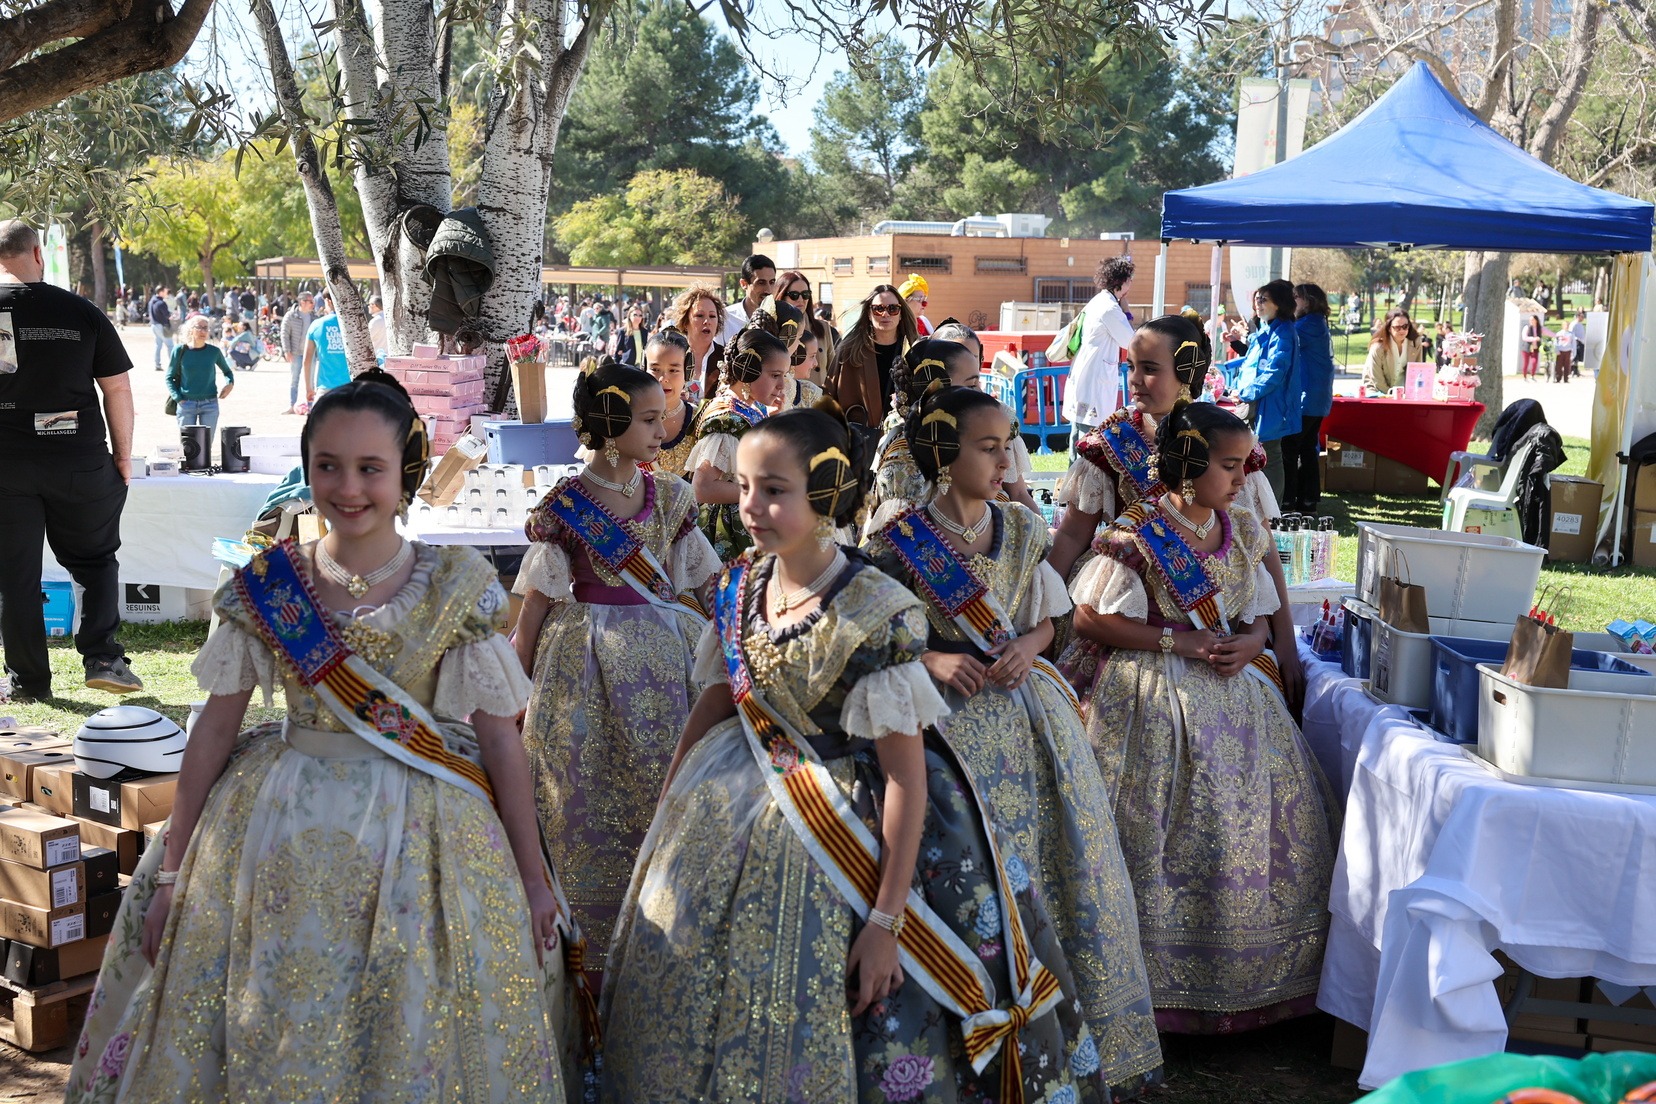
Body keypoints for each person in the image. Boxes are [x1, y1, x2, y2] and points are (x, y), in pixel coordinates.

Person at [68, 371, 587, 1100]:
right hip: (276, 830)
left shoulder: (458, 584)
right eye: (328, 466)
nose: (348, 487)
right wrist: (175, 874)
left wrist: (533, 882)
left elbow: (502, 742)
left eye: (371, 468)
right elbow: (213, 732)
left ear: (404, 474)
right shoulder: (266, 585)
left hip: (427, 833)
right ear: (306, 470)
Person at [600, 403, 1110, 1103]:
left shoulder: (875, 608)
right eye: (744, 487)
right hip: (734, 806)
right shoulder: (740, 584)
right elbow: (719, 700)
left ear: (826, 491)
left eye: (773, 490)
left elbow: (905, 778)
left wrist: (885, 923)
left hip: (861, 832)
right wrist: (670, 809)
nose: (750, 507)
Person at [862, 385, 1163, 1093]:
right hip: (940, 734)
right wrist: (932, 661)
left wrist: (1029, 647)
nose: (1006, 462)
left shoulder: (1024, 529)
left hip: (1027, 723)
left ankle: (1058, 1024)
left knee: (1048, 859)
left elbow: (1049, 619)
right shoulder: (897, 540)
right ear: (945, 454)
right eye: (988, 447)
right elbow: (877, 638)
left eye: (1010, 446)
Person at [1061, 399, 1336, 1034]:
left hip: (1237, 694)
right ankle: (1151, 988)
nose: (1242, 479)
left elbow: (1257, 614)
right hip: (1151, 699)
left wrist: (1253, 643)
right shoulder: (1135, 534)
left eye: (1244, 465)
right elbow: (1089, 618)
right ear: (1188, 465)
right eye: (1229, 466)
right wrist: (1176, 642)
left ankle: (1254, 980)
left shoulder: (1242, 531)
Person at [515, 360, 720, 975]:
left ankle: (659, 927)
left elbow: (705, 582)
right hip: (582, 670)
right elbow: (536, 604)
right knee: (582, 794)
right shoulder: (565, 507)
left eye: (663, 418)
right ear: (610, 425)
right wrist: (515, 686)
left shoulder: (672, 497)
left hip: (666, 668)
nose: (662, 431)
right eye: (649, 419)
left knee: (660, 787)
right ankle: (589, 945)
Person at [1049, 315, 1299, 703]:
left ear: (1187, 370)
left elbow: (1259, 550)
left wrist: (1284, 640)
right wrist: (1041, 614)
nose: (1134, 379)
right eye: (1130, 366)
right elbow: (1070, 535)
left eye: (1149, 369)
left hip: (1213, 617)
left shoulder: (1227, 443)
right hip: (1126, 617)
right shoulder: (1111, 441)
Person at [0, 220, 142, 700]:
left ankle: (29, 682)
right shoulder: (80, 310)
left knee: (14, 574)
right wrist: (124, 456)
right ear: (38, 254)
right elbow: (117, 388)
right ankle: (103, 658)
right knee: (94, 559)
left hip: (5, 464)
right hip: (78, 459)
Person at [688, 323, 792, 560]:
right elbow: (703, 487)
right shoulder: (727, 419)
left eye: (783, 376)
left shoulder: (747, 407)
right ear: (747, 370)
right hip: (729, 533)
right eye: (775, 375)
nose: (781, 385)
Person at [1232, 280, 1302, 500]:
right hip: (1257, 402)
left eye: (1264, 299)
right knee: (1257, 455)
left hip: (1271, 405)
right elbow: (1250, 364)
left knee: (1270, 456)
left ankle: (1272, 511)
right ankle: (1258, 506)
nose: (1258, 304)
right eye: (1257, 299)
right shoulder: (1267, 328)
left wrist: (1245, 393)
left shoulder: (1284, 332)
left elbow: (1275, 372)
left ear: (1279, 304)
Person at [1063, 256, 1137, 447]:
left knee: (1078, 431)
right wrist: (1127, 312)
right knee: (1090, 438)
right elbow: (1131, 341)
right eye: (1130, 279)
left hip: (1087, 374)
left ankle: (1074, 467)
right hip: (1094, 380)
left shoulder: (1098, 301)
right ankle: (1081, 468)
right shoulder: (1110, 308)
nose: (1131, 284)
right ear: (1122, 281)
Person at [825, 283, 917, 428]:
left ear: (901, 314)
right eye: (878, 309)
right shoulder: (849, 351)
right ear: (869, 313)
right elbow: (829, 395)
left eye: (893, 309)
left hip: (903, 436)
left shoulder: (915, 350)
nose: (885, 314)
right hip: (860, 436)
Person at [1286, 283, 1335, 513]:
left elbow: (1286, 341)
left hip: (1308, 397)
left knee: (1291, 447)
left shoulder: (1308, 325)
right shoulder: (1315, 322)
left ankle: (1290, 499)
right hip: (1315, 397)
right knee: (1306, 448)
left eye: (1296, 297)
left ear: (1309, 301)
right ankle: (1308, 500)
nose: (1292, 301)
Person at [640, 328, 699, 479]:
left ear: (687, 372)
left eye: (673, 370)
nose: (663, 378)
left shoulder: (699, 421)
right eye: (655, 369)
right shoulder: (628, 417)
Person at [166, 316, 235, 436]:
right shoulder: (179, 350)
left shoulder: (214, 352)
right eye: (199, 327)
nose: (203, 331)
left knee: (206, 444)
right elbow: (169, 377)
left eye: (206, 328)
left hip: (210, 403)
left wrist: (230, 384)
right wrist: (178, 398)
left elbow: (227, 372)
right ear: (191, 330)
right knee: (188, 444)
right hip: (186, 403)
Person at [666, 283, 725, 402]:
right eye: (700, 315)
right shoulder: (671, 355)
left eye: (712, 316)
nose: (707, 321)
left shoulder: (726, 358)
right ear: (685, 321)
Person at [778, 268, 834, 379]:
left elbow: (833, 370)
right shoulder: (773, 329)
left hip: (819, 389)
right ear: (781, 296)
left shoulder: (823, 328)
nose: (800, 299)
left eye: (805, 294)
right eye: (794, 295)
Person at [302, 292, 351, 402]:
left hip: (326, 386)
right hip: (350, 386)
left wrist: (309, 388)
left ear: (328, 301)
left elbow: (307, 360)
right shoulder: (352, 325)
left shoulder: (316, 325)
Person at [1363, 310, 1424, 393]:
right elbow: (1376, 378)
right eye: (1397, 327)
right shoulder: (1378, 347)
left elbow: (1418, 369)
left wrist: (1410, 392)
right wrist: (1390, 394)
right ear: (1389, 328)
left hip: (1403, 391)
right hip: (1377, 389)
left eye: (1405, 326)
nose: (1402, 330)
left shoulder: (1415, 342)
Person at [721, 253, 776, 341]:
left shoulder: (781, 319)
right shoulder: (725, 319)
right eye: (761, 283)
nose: (768, 290)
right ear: (744, 284)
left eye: (772, 282)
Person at [282, 290, 316, 412]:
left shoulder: (314, 317)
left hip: (310, 354)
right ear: (302, 302)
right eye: (310, 301)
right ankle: (292, 405)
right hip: (295, 353)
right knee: (294, 380)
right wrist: (287, 351)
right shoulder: (291, 316)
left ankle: (311, 406)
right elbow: (284, 334)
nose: (313, 304)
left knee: (311, 381)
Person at [148, 285, 174, 371]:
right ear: (161, 292)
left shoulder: (152, 301)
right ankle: (174, 365)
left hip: (153, 325)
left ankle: (157, 364)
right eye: (165, 291)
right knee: (170, 345)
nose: (167, 293)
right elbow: (167, 315)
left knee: (158, 345)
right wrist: (173, 316)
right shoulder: (161, 303)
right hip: (161, 326)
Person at [1519, 313, 1543, 380]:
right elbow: (1524, 337)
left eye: (1532, 320)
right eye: (1530, 320)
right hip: (1527, 348)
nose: (1531, 321)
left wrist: (1556, 335)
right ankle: (1524, 376)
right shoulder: (1527, 328)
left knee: (1534, 362)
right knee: (1526, 363)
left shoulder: (1539, 328)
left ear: (1536, 320)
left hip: (1535, 348)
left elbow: (1548, 332)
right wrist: (1534, 339)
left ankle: (1532, 375)